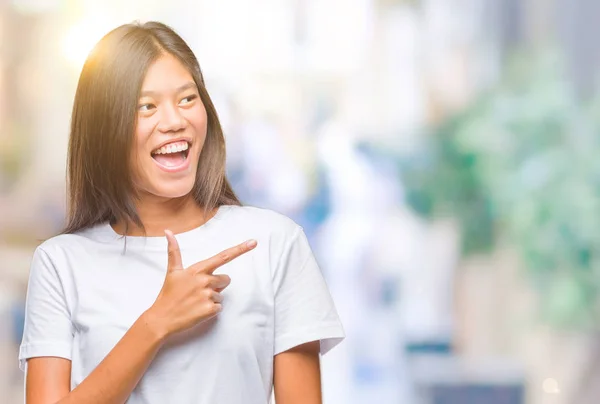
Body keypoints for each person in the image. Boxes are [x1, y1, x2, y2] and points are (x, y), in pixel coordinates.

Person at [18, 21, 344, 404]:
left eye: (188, 99)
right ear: (106, 127)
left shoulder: (274, 243)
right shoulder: (61, 264)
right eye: (147, 106)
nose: (174, 122)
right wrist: (157, 322)